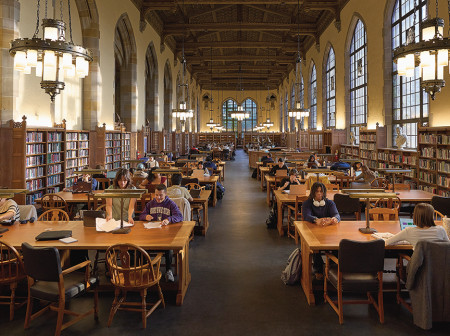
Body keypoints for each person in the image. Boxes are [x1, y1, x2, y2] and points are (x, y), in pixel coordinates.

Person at [139, 184, 183, 282]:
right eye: (156, 195)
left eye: (161, 195)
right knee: (141, 247)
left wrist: (169, 219)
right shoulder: (150, 204)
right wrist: (145, 217)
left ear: (165, 194)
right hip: (151, 234)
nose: (158, 197)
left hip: (165, 235)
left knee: (168, 249)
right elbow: (141, 215)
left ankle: (168, 270)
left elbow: (179, 216)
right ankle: (146, 270)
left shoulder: (171, 204)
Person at [302, 182, 341, 277]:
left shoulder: (329, 203)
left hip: (328, 232)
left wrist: (333, 219)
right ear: (313, 193)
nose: (319, 194)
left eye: (321, 191)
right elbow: (306, 215)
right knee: (316, 247)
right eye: (317, 191)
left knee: (336, 245)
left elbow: (336, 214)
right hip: (313, 232)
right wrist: (316, 220)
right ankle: (318, 269)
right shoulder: (307, 203)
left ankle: (334, 268)